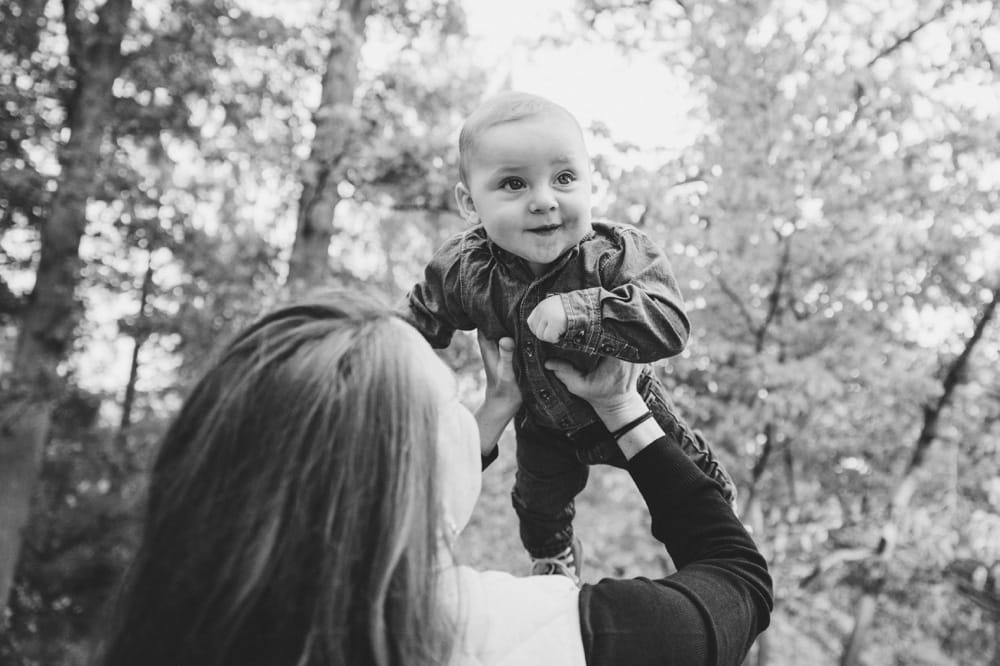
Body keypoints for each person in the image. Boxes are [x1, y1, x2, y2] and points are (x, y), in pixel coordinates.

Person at [99, 292, 771, 666]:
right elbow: (737, 582)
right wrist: (625, 410)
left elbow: (388, 511)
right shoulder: (516, 632)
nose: (469, 419)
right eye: (453, 402)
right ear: (401, 472)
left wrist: (498, 406)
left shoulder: (180, 629)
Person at [405, 90, 737, 581]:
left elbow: (669, 321)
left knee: (692, 482)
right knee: (536, 505)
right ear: (469, 204)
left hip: (631, 403)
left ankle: (724, 526)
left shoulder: (613, 252)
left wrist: (580, 312)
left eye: (563, 178)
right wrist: (381, 355)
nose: (544, 201)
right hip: (541, 426)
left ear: (588, 182)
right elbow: (417, 322)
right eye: (514, 184)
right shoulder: (463, 268)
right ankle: (555, 560)